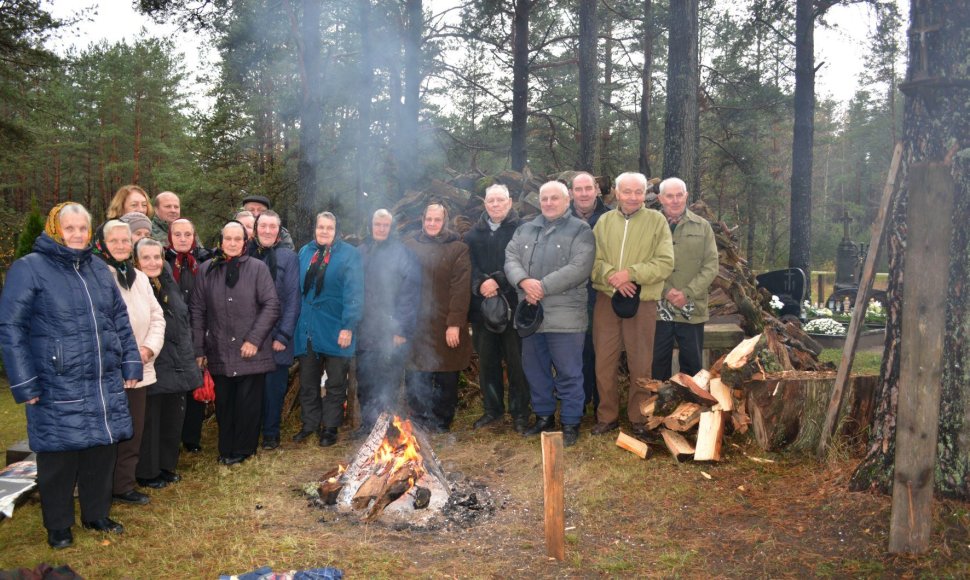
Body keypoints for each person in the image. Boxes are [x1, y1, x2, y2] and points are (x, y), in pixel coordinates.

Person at [0, 203, 141, 549]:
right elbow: (11, 328)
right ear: (54, 229)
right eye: (70, 228)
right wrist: (24, 382)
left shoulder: (98, 269)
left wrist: (131, 364)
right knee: (59, 458)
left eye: (83, 228)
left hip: (101, 379)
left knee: (100, 452)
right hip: (55, 381)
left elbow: (119, 321)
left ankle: (96, 514)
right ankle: (59, 525)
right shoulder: (29, 268)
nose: (77, 235)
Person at [505, 181, 595, 447]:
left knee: (569, 372)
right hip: (531, 314)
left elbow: (579, 267)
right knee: (535, 370)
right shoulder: (525, 229)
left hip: (565, 316)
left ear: (567, 200)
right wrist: (523, 281)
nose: (549, 203)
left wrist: (541, 287)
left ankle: (570, 422)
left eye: (555, 198)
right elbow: (510, 258)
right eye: (544, 198)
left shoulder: (581, 230)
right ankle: (544, 418)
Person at [590, 172, 674, 437]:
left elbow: (664, 262)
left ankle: (639, 417)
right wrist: (613, 278)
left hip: (643, 301)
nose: (633, 197)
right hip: (607, 298)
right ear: (616, 192)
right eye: (627, 191)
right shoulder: (604, 222)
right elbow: (592, 260)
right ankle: (607, 416)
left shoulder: (656, 221)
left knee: (641, 362)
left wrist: (631, 274)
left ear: (645, 194)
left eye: (638, 192)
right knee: (604, 360)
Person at [190, 221, 280, 464]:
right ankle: (226, 449)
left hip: (251, 351)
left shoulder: (258, 268)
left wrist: (253, 339)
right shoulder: (206, 269)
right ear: (221, 241)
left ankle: (243, 450)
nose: (231, 243)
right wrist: (199, 348)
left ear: (244, 242)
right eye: (227, 239)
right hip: (219, 349)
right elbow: (197, 310)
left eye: (237, 239)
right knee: (225, 404)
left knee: (248, 405)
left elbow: (271, 305)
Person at [92, 220, 166, 506]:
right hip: (110, 369)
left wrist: (148, 349)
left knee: (133, 429)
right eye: (115, 241)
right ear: (102, 243)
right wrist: (125, 355)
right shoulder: (97, 275)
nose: (122, 245)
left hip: (142, 367)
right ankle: (100, 487)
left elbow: (157, 317)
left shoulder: (139, 277)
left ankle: (123, 484)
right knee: (107, 431)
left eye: (126, 240)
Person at [132, 238, 201, 488]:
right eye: (146, 258)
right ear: (136, 261)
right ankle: (147, 472)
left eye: (157, 257)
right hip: (154, 363)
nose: (153, 262)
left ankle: (165, 465)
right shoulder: (135, 286)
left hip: (177, 362)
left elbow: (183, 321)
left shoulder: (169, 283)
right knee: (151, 421)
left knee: (173, 420)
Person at [463, 184, 531, 433]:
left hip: (514, 306)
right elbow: (466, 267)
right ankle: (492, 410)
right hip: (482, 309)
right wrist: (481, 283)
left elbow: (526, 262)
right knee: (488, 362)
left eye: (500, 200)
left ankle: (520, 412)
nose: (495, 205)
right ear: (484, 204)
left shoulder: (523, 230)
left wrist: (499, 280)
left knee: (517, 363)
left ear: (510, 202)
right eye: (490, 201)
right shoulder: (472, 235)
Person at [293, 212, 363, 446]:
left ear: (337, 230)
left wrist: (348, 326)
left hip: (336, 328)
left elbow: (354, 293)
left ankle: (330, 427)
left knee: (335, 382)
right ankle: (310, 423)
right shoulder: (305, 252)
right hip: (309, 328)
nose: (324, 231)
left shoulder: (349, 255)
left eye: (329, 228)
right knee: (309, 380)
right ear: (315, 229)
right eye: (321, 227)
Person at [404, 204, 472, 433]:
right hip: (416, 323)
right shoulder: (410, 246)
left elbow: (460, 290)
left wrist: (454, 323)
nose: (432, 223)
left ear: (445, 221)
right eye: (428, 219)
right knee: (417, 373)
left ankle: (442, 421)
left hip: (445, 323)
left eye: (437, 219)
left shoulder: (457, 249)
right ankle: (420, 419)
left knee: (446, 375)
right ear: (422, 220)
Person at [355, 209, 421, 435]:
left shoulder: (402, 254)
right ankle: (367, 426)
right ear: (370, 225)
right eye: (377, 224)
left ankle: (387, 427)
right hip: (365, 330)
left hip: (391, 331)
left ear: (391, 228)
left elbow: (410, 295)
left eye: (385, 225)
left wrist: (401, 329)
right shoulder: (361, 252)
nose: (381, 228)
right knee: (365, 381)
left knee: (388, 382)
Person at [652, 177, 719, 380]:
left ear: (686, 196)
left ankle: (691, 410)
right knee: (656, 365)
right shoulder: (650, 225)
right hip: (657, 306)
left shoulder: (702, 226)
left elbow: (711, 265)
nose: (675, 200)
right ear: (660, 198)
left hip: (691, 306)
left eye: (679, 195)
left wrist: (687, 293)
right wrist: (665, 290)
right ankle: (657, 409)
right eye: (669, 196)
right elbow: (643, 262)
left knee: (692, 366)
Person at [247, 211, 301, 450]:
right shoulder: (244, 253)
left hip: (278, 335)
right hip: (249, 337)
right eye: (263, 226)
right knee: (251, 389)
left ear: (279, 231)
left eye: (273, 227)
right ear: (256, 229)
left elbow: (292, 300)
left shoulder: (288, 257)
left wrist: (284, 335)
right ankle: (249, 432)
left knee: (273, 389)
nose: (267, 231)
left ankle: (271, 434)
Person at [165, 218, 213, 453]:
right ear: (170, 237)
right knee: (173, 389)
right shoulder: (163, 262)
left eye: (187, 234)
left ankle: (192, 438)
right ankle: (171, 438)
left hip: (195, 329)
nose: (183, 239)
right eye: (178, 234)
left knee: (195, 381)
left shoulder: (202, 263)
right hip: (168, 332)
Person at [569, 172, 610, 415]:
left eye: (588, 188)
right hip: (571, 293)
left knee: (600, 349)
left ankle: (600, 402)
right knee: (576, 348)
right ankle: (579, 401)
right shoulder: (562, 217)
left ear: (597, 190)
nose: (583, 194)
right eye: (578, 189)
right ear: (572, 192)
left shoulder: (610, 217)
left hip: (602, 293)